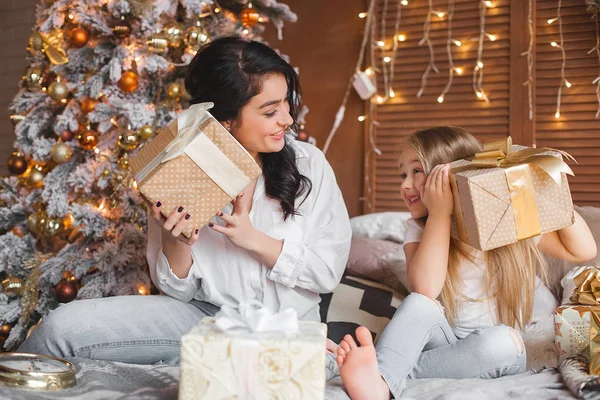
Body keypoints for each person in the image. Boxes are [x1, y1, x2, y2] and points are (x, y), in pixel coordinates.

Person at [19, 36, 352, 366]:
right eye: (270, 111)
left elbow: (326, 273)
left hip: (285, 329)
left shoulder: (309, 165)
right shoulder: (180, 170)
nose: (288, 120)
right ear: (225, 120)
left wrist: (252, 239)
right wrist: (174, 241)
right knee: (59, 329)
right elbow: (178, 292)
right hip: (207, 322)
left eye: (286, 104)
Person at [335, 126, 597, 399]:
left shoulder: (504, 219)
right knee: (419, 304)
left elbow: (582, 250)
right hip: (446, 343)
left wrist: (546, 194)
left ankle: (383, 375)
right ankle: (378, 381)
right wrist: (439, 214)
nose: (404, 184)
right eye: (403, 174)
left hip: (494, 349)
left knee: (504, 341)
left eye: (416, 172)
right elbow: (425, 288)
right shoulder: (419, 228)